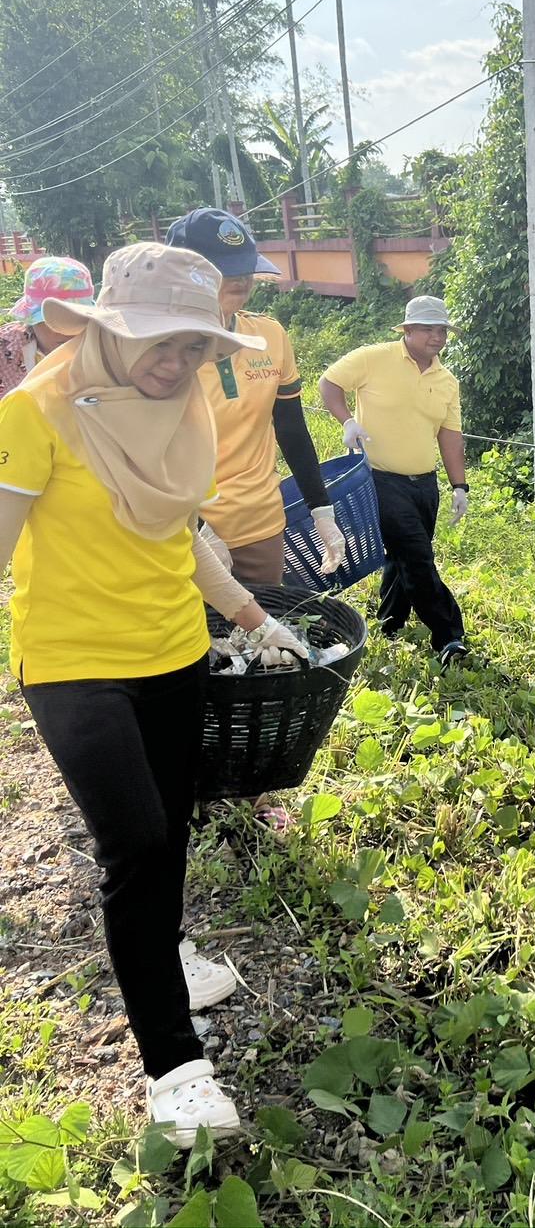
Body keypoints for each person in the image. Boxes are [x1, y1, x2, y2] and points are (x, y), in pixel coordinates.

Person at [0, 243, 312, 1144]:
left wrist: (255, 616)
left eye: (193, 346)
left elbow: (184, 535)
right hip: (72, 661)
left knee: (171, 825)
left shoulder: (182, 407)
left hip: (173, 650)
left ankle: (164, 951)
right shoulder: (37, 410)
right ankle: (175, 1070)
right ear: (108, 326)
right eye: (157, 341)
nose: (174, 363)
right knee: (134, 842)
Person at [166, 207, 345, 586]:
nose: (241, 278)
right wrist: (195, 528)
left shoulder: (269, 336)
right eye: (224, 269)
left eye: (245, 267)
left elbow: (291, 429)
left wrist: (321, 510)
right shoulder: (157, 350)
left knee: (263, 618)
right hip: (180, 529)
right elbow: (145, 455)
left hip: (260, 522)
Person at [319, 295, 469, 667]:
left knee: (403, 556)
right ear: (408, 330)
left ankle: (388, 623)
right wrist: (347, 421)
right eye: (428, 329)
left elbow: (450, 435)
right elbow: (329, 383)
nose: (437, 337)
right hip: (380, 480)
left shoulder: (447, 381)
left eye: (442, 331)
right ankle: (449, 636)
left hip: (424, 484)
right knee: (418, 557)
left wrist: (459, 486)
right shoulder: (374, 358)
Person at [0, 256, 94, 396]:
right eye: (51, 320)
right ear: (32, 320)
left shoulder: (104, 347)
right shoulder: (5, 348)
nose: (64, 329)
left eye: (73, 319)